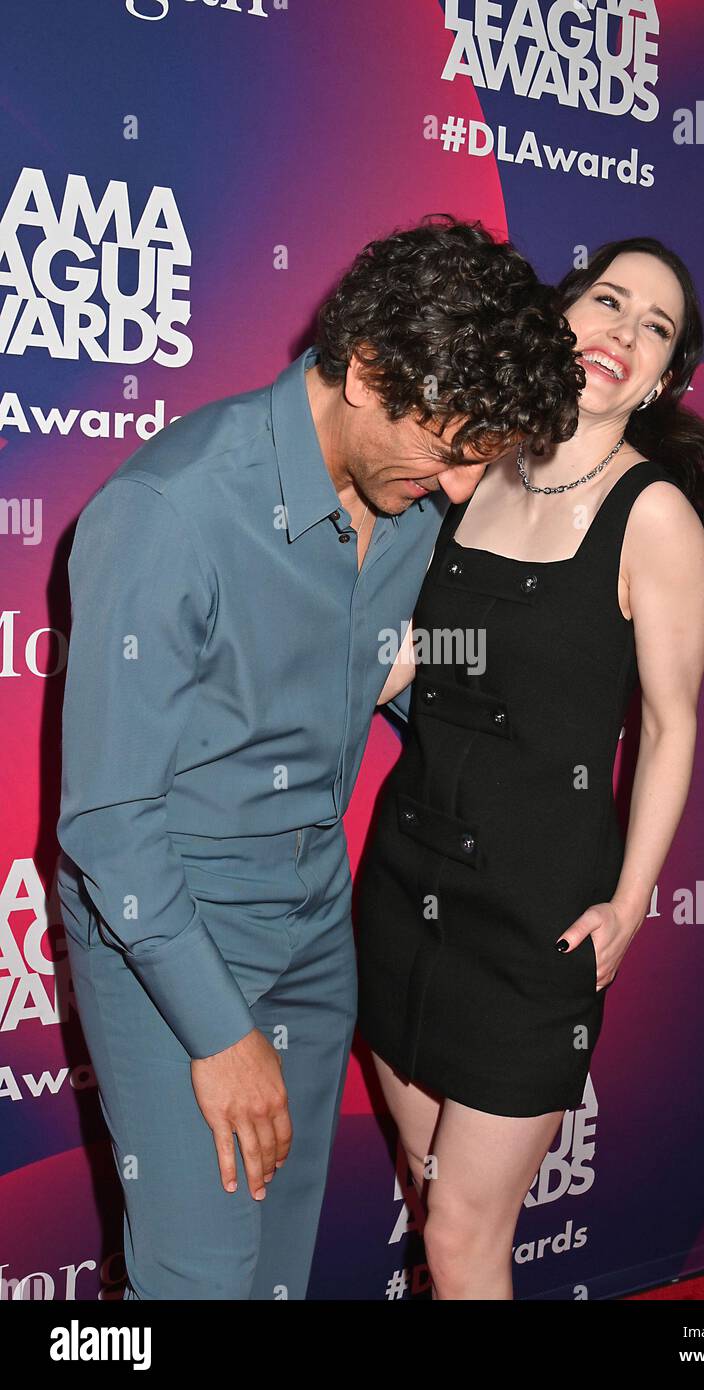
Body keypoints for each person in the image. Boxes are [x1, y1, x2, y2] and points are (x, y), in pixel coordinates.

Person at [55, 213, 582, 1300]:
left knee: (279, 1269)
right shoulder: (170, 514)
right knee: (200, 1279)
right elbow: (108, 824)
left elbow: (389, 661)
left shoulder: (410, 498)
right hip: (172, 928)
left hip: (312, 915)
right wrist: (218, 1032)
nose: (450, 487)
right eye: (445, 448)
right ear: (366, 369)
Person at [355, 236, 704, 1301]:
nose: (623, 329)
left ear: (663, 377)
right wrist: (365, 669)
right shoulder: (476, 471)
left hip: (533, 921)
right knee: (441, 1209)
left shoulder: (653, 515)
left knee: (466, 1236)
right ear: (562, 316)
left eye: (654, 326)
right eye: (609, 300)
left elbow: (670, 723)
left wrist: (631, 898)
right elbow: (456, 653)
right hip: (404, 886)